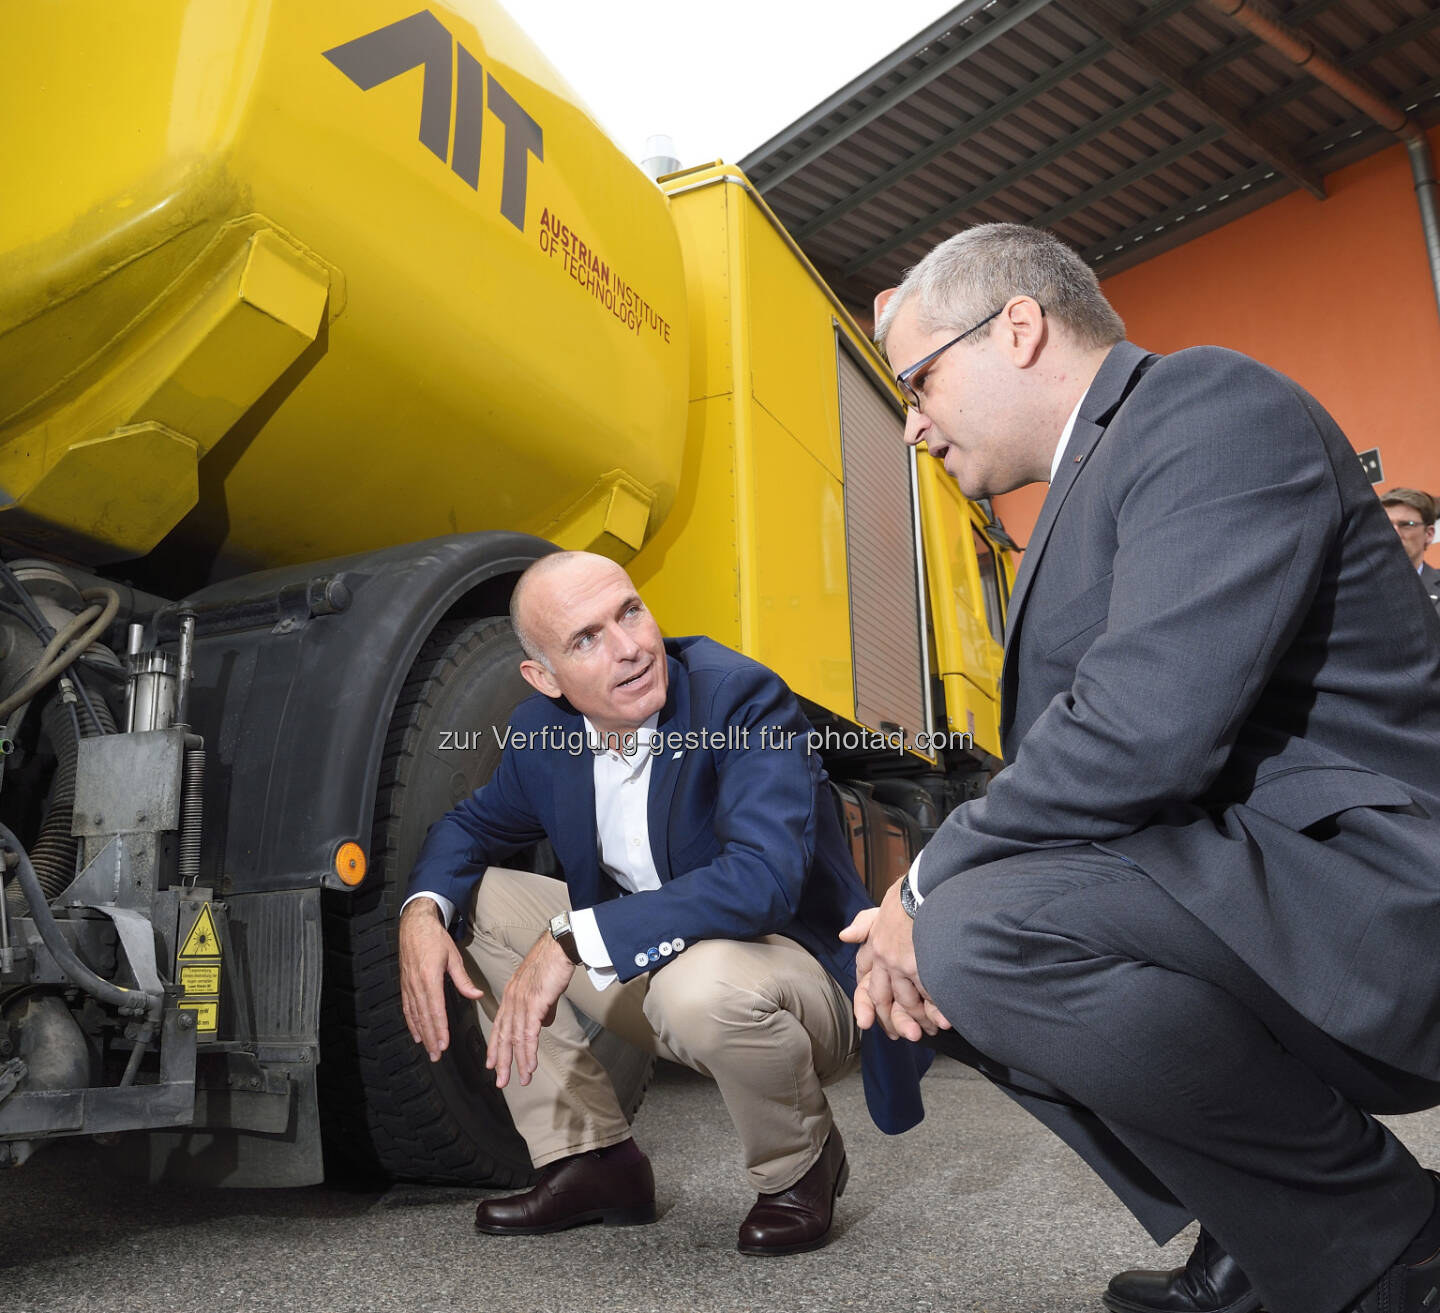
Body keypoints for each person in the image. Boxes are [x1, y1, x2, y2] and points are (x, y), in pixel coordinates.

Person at [844, 223, 1440, 1313]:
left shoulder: (1207, 407)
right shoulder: (1095, 476)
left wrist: (918, 888)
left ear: (1016, 327)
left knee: (977, 932)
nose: (913, 425)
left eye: (919, 380)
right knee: (956, 944)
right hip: (1249, 879)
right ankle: (1268, 1234)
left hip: (1373, 893)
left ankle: (1388, 1238)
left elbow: (1140, 731)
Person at [398, 550, 928, 1255]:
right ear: (544, 678)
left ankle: (800, 1164)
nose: (630, 648)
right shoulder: (542, 734)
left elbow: (761, 880)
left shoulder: (739, 700)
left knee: (698, 984)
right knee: (477, 899)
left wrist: (569, 941)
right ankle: (593, 1161)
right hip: (664, 962)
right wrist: (421, 911)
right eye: (586, 639)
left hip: (808, 985)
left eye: (630, 611)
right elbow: (468, 827)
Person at [1380, 487, 1440, 618]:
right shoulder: (1356, 592)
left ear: (1429, 534)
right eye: (1385, 525)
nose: (1394, 533)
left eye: (1406, 524)